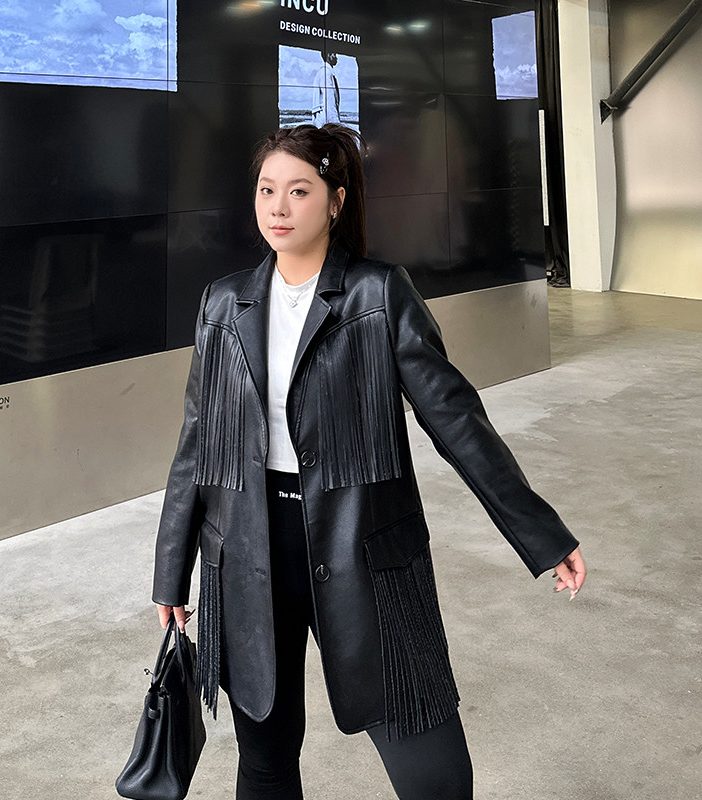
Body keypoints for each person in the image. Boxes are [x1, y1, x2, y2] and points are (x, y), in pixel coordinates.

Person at [152, 123, 586, 800]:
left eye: (299, 191)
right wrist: (170, 571)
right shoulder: (224, 302)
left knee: (434, 772)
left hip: (365, 547)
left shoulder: (378, 294)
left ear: (336, 201)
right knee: (264, 763)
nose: (278, 207)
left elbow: (455, 419)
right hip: (246, 552)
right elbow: (196, 444)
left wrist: (541, 534)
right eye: (267, 190)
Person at [312, 51, 340, 126]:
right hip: (325, 119)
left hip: (322, 119)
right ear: (328, 55)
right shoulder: (326, 73)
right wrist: (335, 124)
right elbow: (329, 100)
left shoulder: (322, 72)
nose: (336, 57)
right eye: (334, 54)